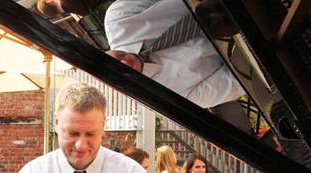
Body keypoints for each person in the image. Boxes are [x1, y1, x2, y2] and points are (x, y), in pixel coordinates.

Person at [10, 83, 158, 173]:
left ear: (103, 125)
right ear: (56, 123)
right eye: (73, 133)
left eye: (90, 134)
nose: (81, 145)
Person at [104, 0, 245, 111]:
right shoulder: (172, 97)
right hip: (245, 36)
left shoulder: (118, 18)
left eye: (111, 63)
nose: (124, 64)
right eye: (120, 75)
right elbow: (239, 80)